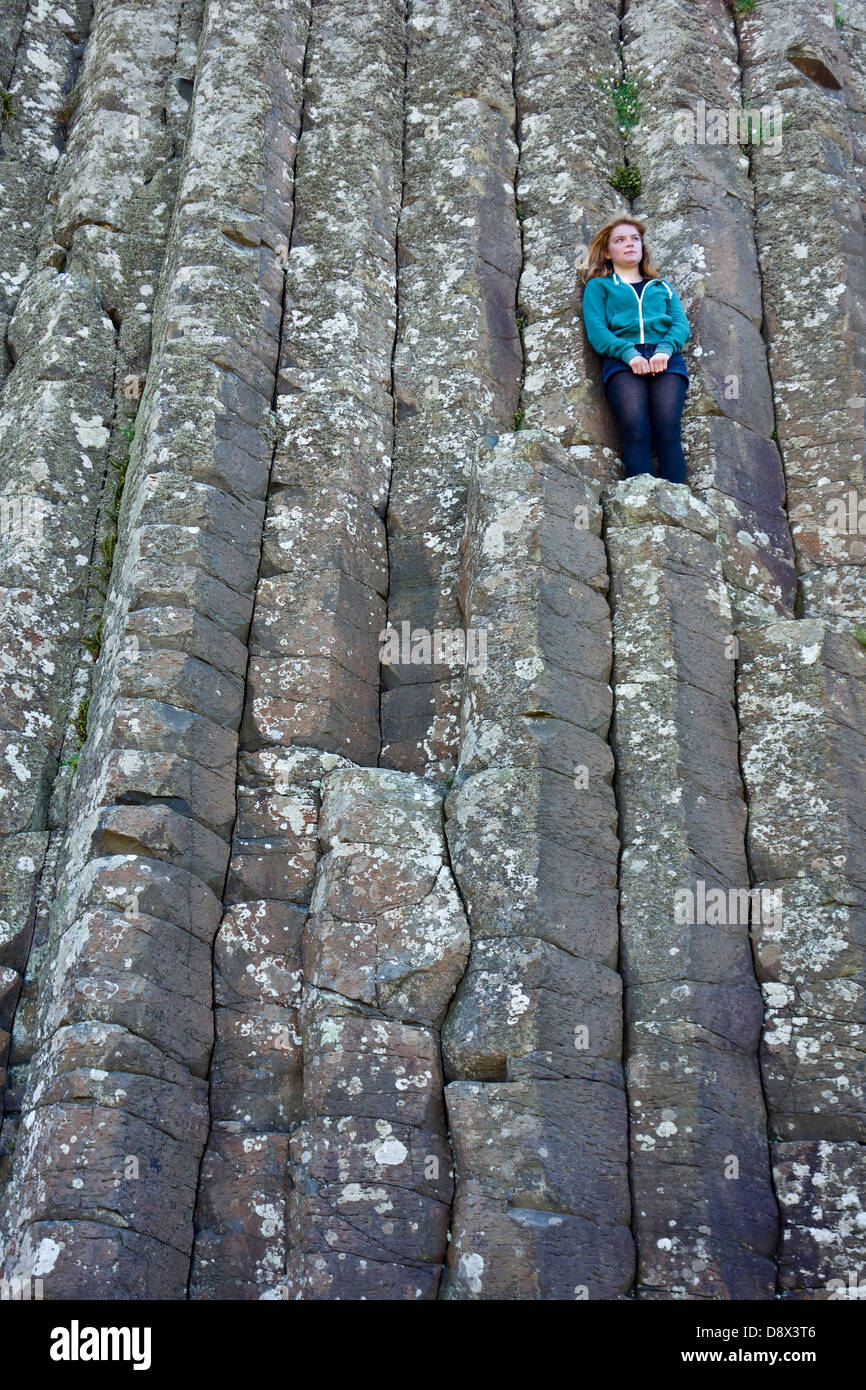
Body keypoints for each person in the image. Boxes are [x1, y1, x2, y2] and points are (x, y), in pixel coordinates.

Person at [580, 218, 691, 484]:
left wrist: (664, 350)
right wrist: (629, 354)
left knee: (667, 429)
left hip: (666, 358)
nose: (629, 243)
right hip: (622, 361)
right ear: (607, 252)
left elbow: (680, 325)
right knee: (635, 428)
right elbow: (597, 331)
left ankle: (678, 503)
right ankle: (642, 504)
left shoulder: (662, 287)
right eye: (620, 240)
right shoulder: (599, 287)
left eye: (634, 238)